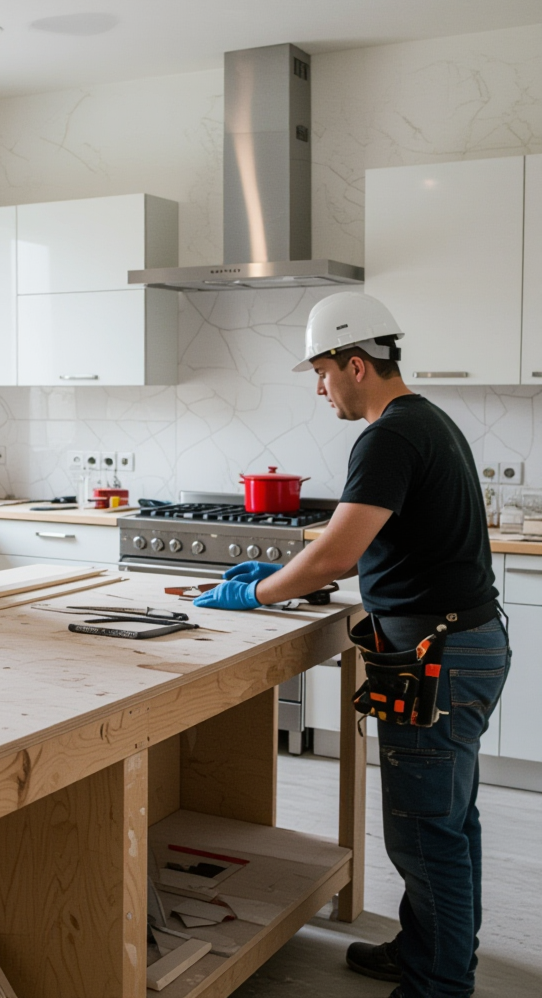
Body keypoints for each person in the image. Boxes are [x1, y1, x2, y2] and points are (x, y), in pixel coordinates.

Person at [193, 292, 510, 998]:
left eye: (321, 372)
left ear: (356, 365)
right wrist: (280, 573)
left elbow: (338, 554)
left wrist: (255, 593)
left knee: (426, 832)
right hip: (462, 646)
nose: (319, 388)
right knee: (448, 822)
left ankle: (439, 984)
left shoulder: (388, 435)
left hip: (441, 656)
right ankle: (431, 953)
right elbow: (375, 543)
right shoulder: (424, 420)